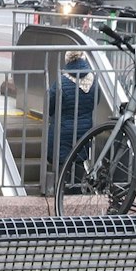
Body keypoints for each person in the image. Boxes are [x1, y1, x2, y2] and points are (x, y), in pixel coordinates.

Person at [47, 51, 98, 182]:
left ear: (68, 60)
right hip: (84, 130)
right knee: (78, 161)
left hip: (62, 131)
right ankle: (75, 193)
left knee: (62, 166)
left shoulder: (61, 81)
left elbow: (49, 105)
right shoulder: (93, 79)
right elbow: (96, 101)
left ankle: (60, 193)